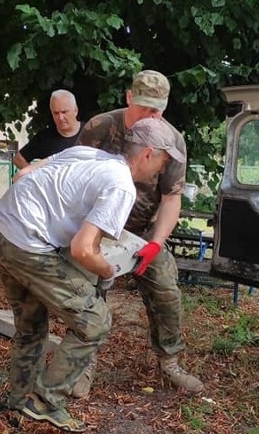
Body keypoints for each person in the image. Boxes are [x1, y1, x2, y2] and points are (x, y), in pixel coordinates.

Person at [0, 118, 185, 433]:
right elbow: (82, 249)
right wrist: (110, 270)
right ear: (148, 154)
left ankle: (19, 402)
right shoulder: (121, 185)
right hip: (27, 244)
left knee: (31, 326)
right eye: (162, 160)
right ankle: (45, 401)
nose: (162, 169)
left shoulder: (91, 155)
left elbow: (36, 172)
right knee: (94, 321)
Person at [74, 70, 204, 396]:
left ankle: (170, 364)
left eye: (158, 110)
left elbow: (172, 198)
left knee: (166, 292)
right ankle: (81, 366)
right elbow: (76, 175)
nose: (151, 116)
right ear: (129, 98)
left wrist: (156, 244)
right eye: (144, 108)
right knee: (87, 295)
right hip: (97, 228)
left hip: (143, 232)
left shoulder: (171, 141)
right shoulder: (100, 128)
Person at [12, 90, 83, 170]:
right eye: (56, 113)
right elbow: (18, 159)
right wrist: (38, 178)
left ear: (75, 110)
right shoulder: (44, 137)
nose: (60, 118)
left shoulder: (92, 132)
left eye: (64, 112)